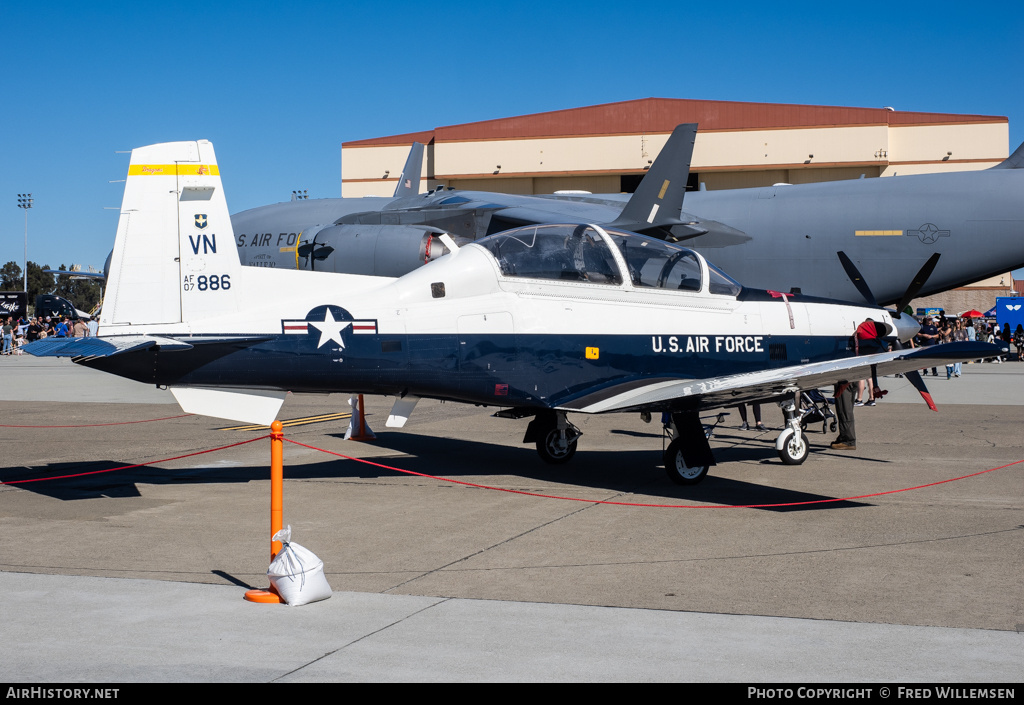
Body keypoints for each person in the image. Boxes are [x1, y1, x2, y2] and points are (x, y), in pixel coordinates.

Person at [831, 379, 856, 450]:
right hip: (853, 378)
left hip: (844, 381)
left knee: (844, 411)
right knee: (848, 409)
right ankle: (844, 436)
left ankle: (848, 440)